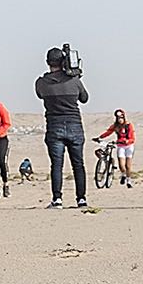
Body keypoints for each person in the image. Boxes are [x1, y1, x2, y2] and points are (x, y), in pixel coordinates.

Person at [35, 45, 92, 210]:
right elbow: (85, 98)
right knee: (78, 164)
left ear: (47, 62)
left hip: (54, 125)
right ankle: (81, 199)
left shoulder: (41, 82)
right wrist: (75, 76)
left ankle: (57, 199)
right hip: (75, 125)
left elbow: (40, 94)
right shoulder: (74, 81)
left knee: (57, 165)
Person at [99, 107, 136, 188]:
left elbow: (132, 138)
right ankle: (123, 174)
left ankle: (128, 180)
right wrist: (100, 137)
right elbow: (108, 132)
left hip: (129, 146)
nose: (120, 119)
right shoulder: (115, 126)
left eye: (121, 117)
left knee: (128, 165)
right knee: (121, 165)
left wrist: (127, 141)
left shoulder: (129, 125)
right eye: (118, 118)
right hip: (120, 146)